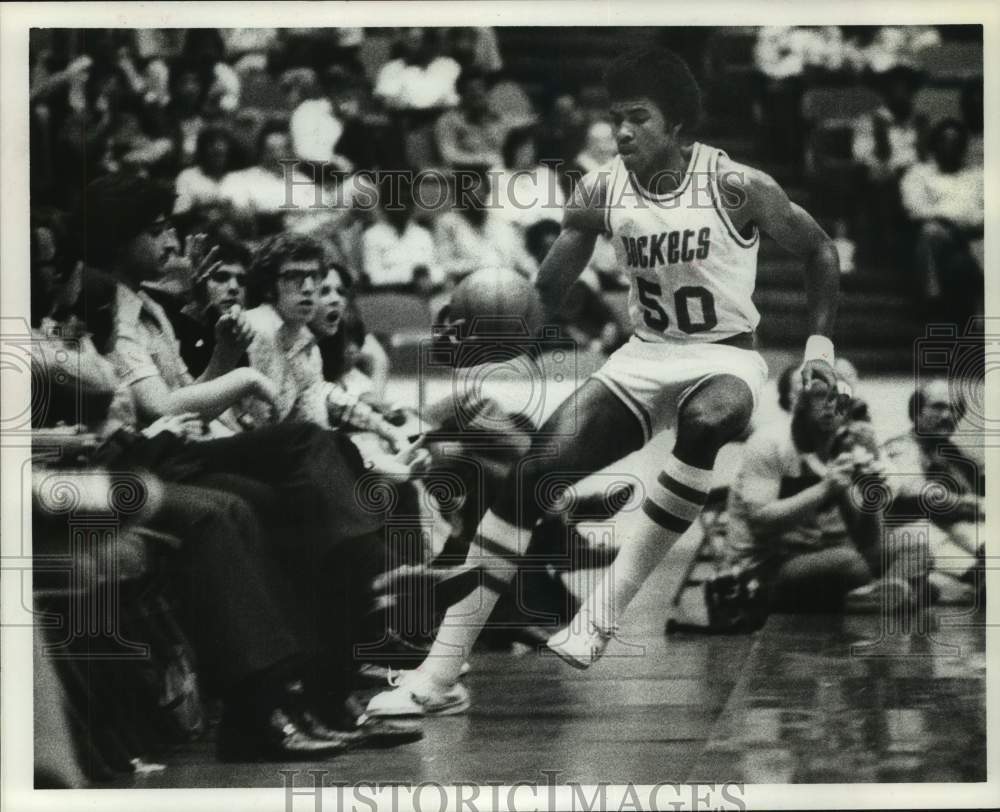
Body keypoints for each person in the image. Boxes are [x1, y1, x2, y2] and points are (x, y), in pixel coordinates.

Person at [367, 46, 841, 717]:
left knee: (707, 424)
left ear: (677, 125)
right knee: (532, 476)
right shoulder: (599, 189)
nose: (622, 132)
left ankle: (605, 609)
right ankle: (438, 679)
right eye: (616, 118)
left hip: (726, 356)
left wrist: (818, 346)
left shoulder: (738, 185)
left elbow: (819, 248)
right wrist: (500, 342)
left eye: (637, 119)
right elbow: (552, 284)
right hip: (644, 356)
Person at [722, 375, 923, 612]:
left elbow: (868, 542)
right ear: (801, 405)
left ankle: (874, 595)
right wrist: (825, 488)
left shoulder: (842, 447)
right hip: (760, 567)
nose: (831, 403)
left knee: (915, 546)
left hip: (816, 557)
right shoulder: (770, 443)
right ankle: (871, 598)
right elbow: (760, 522)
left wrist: (870, 495)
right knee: (849, 563)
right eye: (820, 396)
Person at [881, 379, 984, 604]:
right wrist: (976, 504)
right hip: (910, 538)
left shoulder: (957, 457)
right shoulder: (901, 448)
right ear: (916, 414)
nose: (947, 415)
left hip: (951, 538)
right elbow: (916, 492)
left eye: (954, 409)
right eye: (938, 407)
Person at [900, 118, 984, 326]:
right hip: (941, 232)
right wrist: (951, 219)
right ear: (935, 145)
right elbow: (915, 208)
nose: (950, 147)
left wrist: (969, 223)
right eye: (945, 141)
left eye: (956, 142)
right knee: (929, 232)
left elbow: (988, 209)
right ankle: (932, 297)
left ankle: (986, 314)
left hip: (974, 232)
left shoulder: (976, 176)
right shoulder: (919, 174)